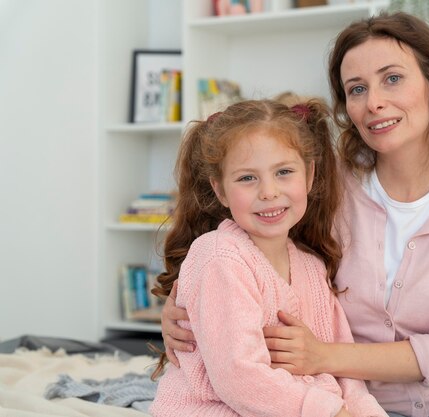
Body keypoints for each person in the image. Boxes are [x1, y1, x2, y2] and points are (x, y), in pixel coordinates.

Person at [160, 12, 429, 417]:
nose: (374, 102)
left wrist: (323, 357)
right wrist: (184, 313)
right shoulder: (326, 183)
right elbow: (243, 250)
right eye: (356, 89)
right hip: (341, 396)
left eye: (393, 78)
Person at [149, 98, 387, 417]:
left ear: (309, 174)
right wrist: (328, 412)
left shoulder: (312, 267)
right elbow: (239, 377)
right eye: (247, 178)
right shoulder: (220, 256)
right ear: (220, 190)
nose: (269, 192)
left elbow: (345, 374)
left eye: (284, 172)